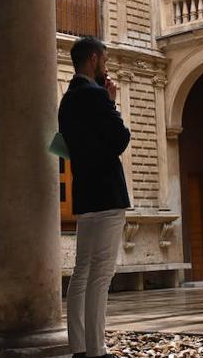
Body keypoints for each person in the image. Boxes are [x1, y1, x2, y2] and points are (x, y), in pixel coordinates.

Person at [58, 36, 130, 358]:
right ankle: (97, 351)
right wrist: (112, 102)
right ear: (92, 58)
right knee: (101, 274)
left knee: (82, 270)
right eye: (104, 59)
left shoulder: (67, 100)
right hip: (108, 195)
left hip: (84, 193)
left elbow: (63, 149)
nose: (106, 66)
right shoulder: (97, 96)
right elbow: (119, 140)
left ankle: (79, 347)